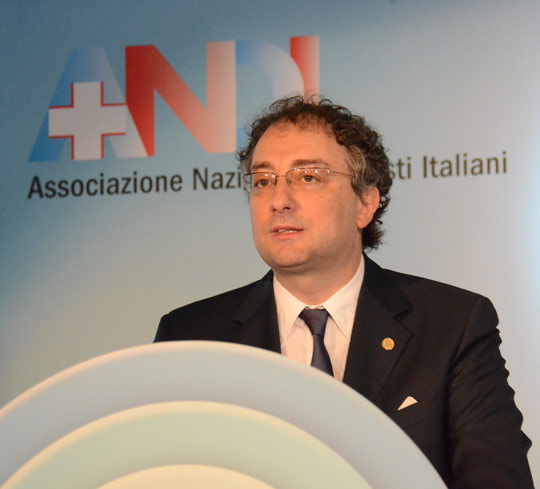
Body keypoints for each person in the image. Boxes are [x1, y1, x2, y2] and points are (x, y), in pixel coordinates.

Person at [155, 96, 534, 488]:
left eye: (308, 177)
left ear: (364, 203)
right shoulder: (190, 337)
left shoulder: (452, 325)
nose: (279, 201)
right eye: (263, 181)